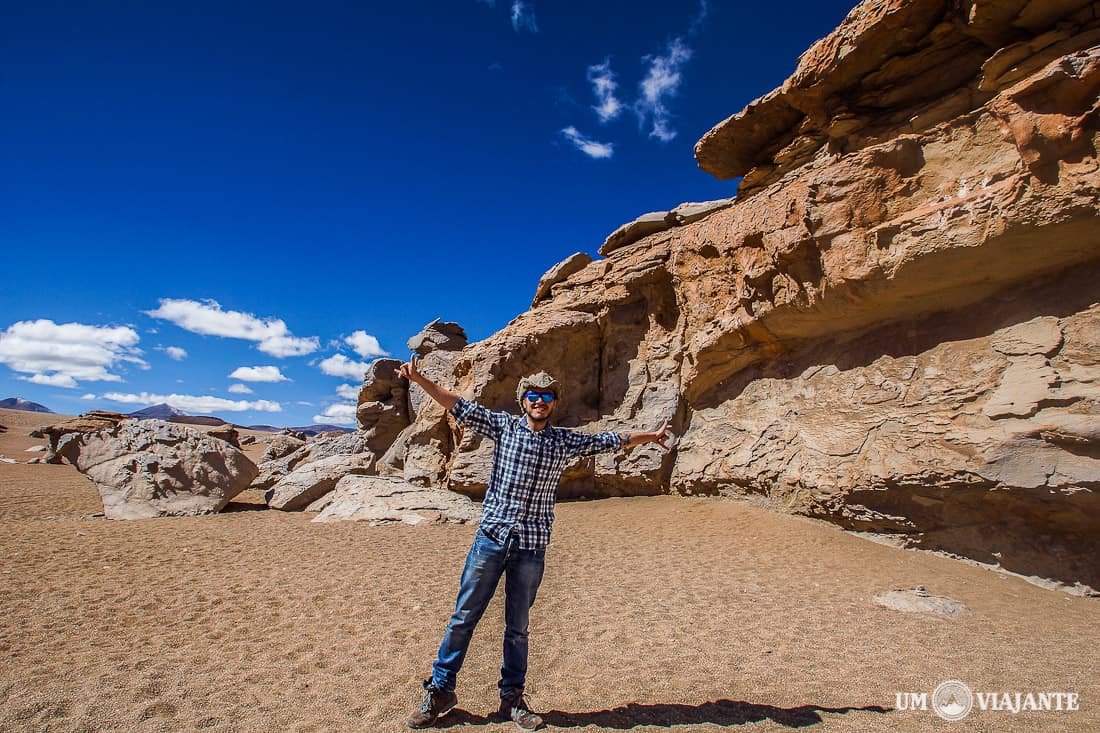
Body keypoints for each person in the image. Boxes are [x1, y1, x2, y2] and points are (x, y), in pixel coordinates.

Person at [398, 357, 670, 731]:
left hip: (531, 546)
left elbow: (611, 439)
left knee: (518, 627)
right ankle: (441, 690)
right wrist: (419, 378)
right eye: (532, 395)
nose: (539, 401)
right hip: (491, 539)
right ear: (522, 400)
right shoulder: (503, 427)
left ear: (554, 403)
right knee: (463, 618)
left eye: (546, 396)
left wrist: (650, 436)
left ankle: (512, 699)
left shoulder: (562, 441)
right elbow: (454, 403)